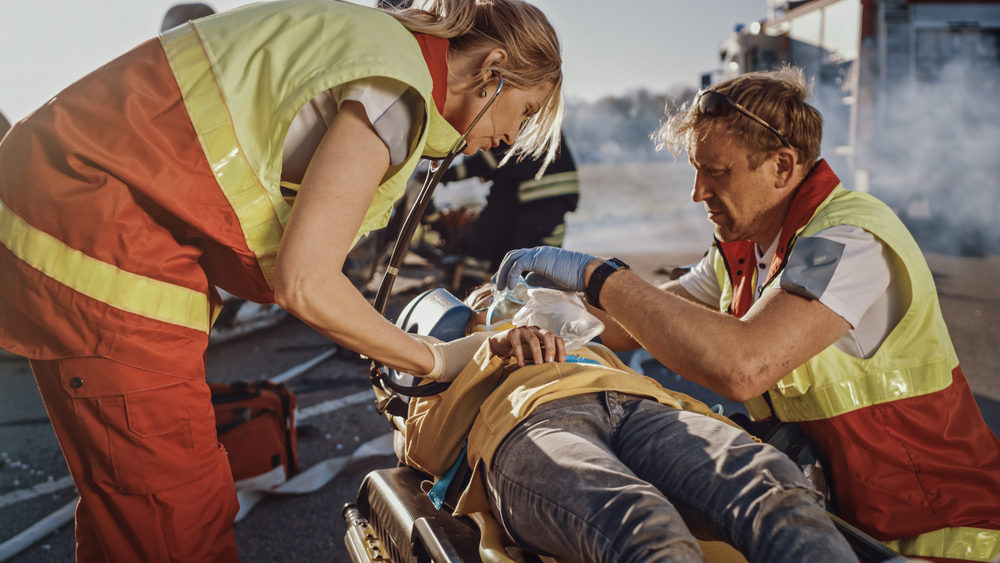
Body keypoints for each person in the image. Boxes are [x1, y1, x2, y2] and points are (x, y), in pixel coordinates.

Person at [0, 0, 563, 559]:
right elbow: (306, 283)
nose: (514, 136)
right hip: (104, 244)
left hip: (89, 220)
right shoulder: (396, 89)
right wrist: (436, 359)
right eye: (526, 111)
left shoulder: (373, 48)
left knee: (128, 511)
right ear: (493, 70)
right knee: (177, 515)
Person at [494, 67, 1000, 562]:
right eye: (696, 170)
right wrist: (549, 314)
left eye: (716, 172)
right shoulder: (746, 248)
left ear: (782, 166)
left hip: (942, 535)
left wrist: (597, 274)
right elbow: (640, 324)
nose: (698, 193)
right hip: (850, 528)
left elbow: (744, 365)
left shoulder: (849, 237)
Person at [400, 284, 857, 563]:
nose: (509, 301)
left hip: (642, 407)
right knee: (640, 521)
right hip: (532, 422)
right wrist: (489, 349)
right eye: (486, 301)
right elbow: (425, 449)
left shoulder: (587, 345)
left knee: (769, 482)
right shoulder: (468, 361)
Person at [427, 134, 579, 292]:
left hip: (539, 194)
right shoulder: (535, 120)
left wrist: (438, 175)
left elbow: (483, 164)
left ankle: (472, 298)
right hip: (551, 193)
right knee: (529, 260)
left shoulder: (504, 131)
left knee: (517, 257)